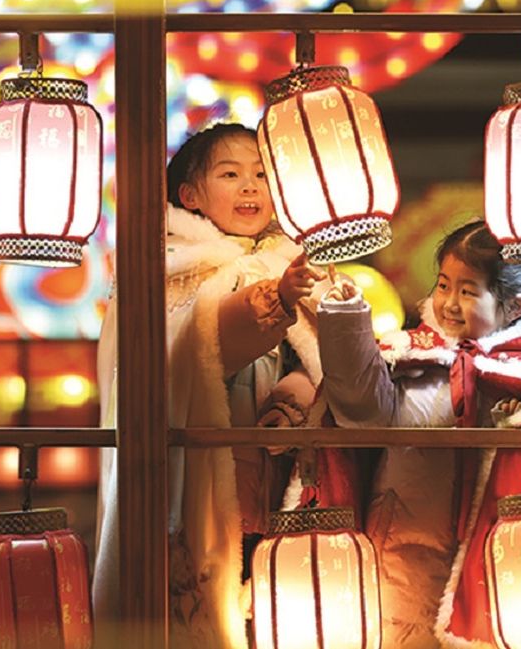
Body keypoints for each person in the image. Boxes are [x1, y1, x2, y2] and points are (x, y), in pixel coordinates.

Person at [317, 220, 521, 649]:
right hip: (402, 533)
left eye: (468, 291)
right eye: (444, 285)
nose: (449, 303)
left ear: (515, 306)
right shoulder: (410, 355)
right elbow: (361, 410)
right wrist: (346, 321)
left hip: (494, 552)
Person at [93, 122, 325, 647]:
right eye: (231, 173)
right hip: (199, 469)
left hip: (275, 465)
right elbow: (182, 356)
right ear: (190, 195)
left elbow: (317, 364)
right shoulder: (165, 267)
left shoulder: (287, 263)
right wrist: (275, 300)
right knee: (209, 594)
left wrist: (295, 395)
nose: (251, 186)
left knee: (271, 598)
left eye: (263, 174)